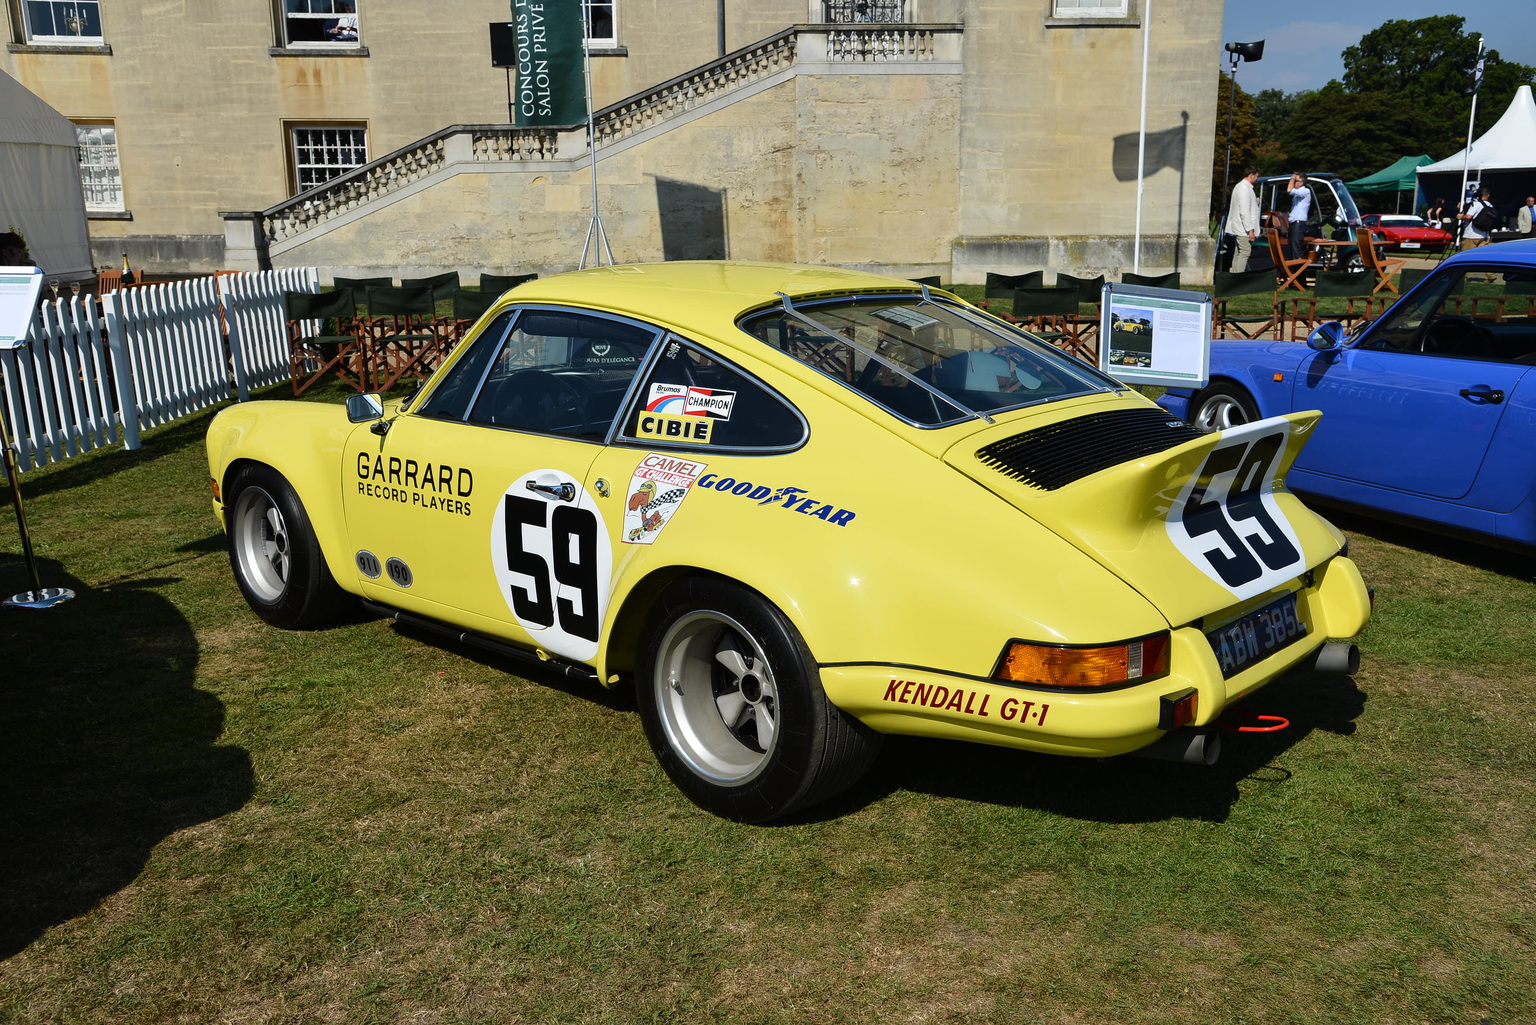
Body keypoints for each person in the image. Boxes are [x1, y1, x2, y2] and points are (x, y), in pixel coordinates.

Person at [1227, 166, 1261, 272]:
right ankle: (1239, 278)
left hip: (1240, 227)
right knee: (1245, 251)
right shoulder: (1244, 188)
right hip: (1243, 228)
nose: (1257, 179)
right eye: (1256, 176)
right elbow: (1244, 212)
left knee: (1238, 252)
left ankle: (1235, 277)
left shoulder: (1241, 187)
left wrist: (1254, 202)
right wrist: (1250, 230)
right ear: (1251, 175)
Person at [1285, 172, 1312, 260]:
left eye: (1296, 181)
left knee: (1297, 250)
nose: (1294, 182)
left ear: (1301, 182)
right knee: (1291, 249)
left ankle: (1300, 272)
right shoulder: (1297, 194)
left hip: (1299, 224)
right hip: (1293, 224)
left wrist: (1292, 178)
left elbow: (1289, 190)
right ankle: (1292, 271)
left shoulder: (1305, 191)